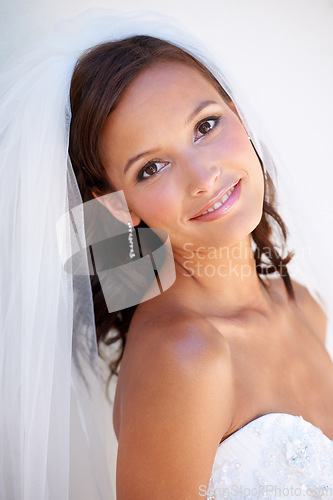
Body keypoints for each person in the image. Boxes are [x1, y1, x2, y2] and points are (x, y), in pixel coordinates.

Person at [1, 10, 332, 500]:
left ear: (238, 112)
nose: (203, 178)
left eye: (205, 125)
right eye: (151, 168)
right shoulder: (184, 358)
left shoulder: (303, 306)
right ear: (112, 203)